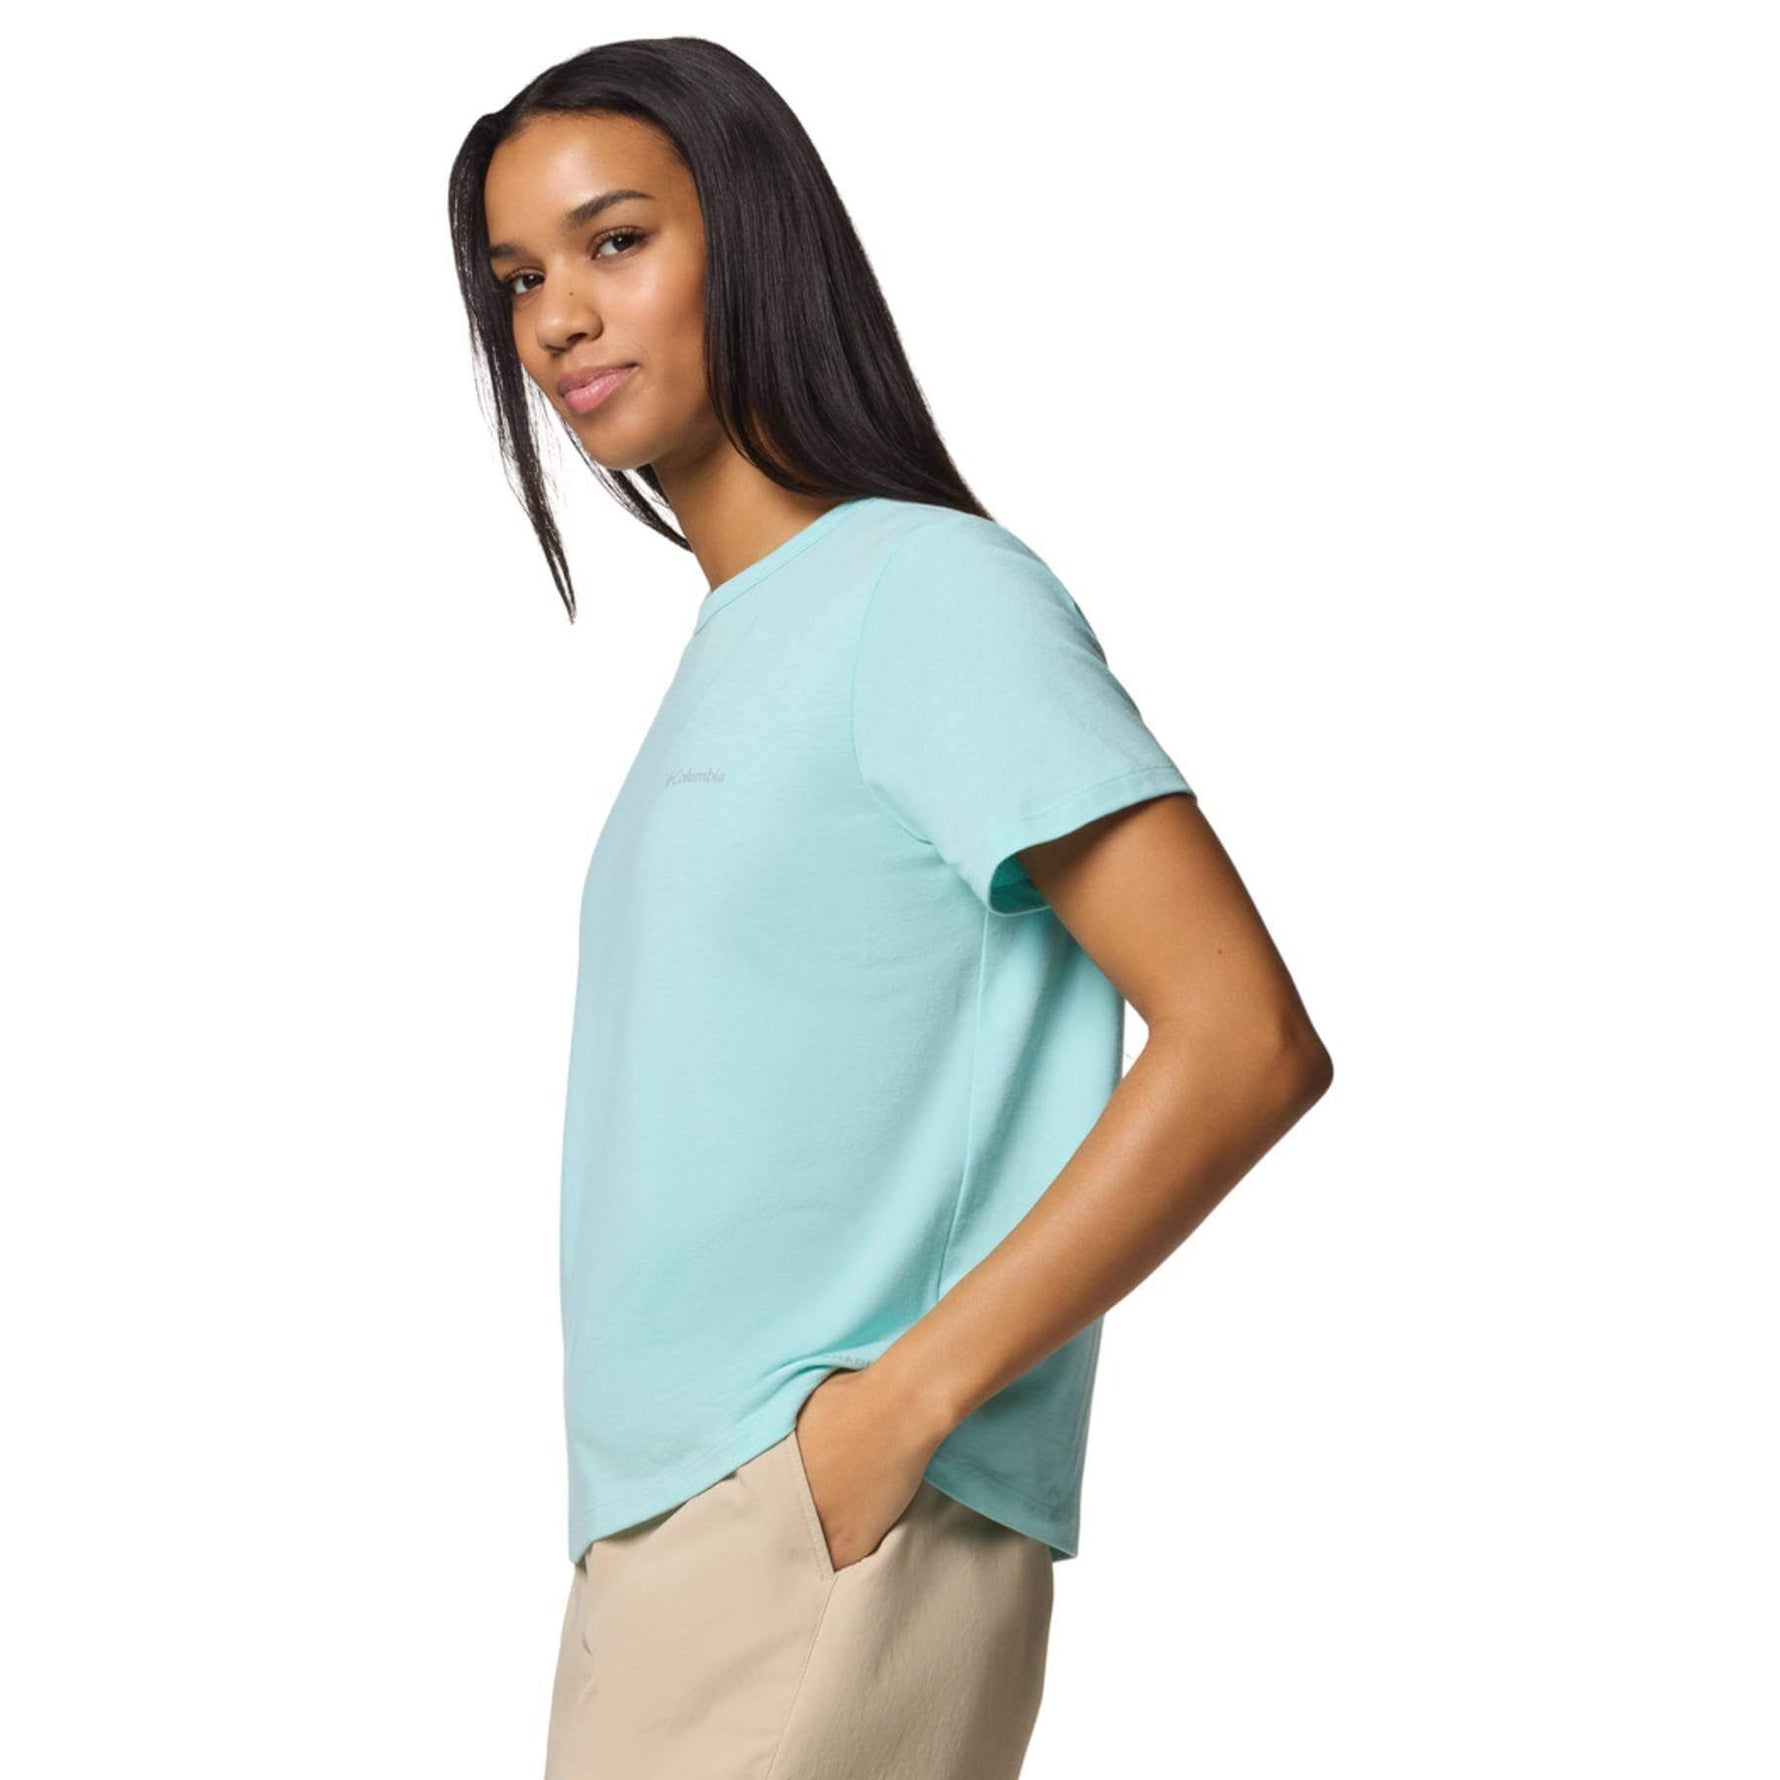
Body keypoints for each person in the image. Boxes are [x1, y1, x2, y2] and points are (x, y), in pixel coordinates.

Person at [448, 35, 1333, 1780]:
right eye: (520, 277)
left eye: (616, 240)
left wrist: (895, 1418)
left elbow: (1245, 1040)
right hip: (682, 1535)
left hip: (813, 1525)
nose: (557, 319)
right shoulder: (751, 639)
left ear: (755, 236)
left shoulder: (924, 594)